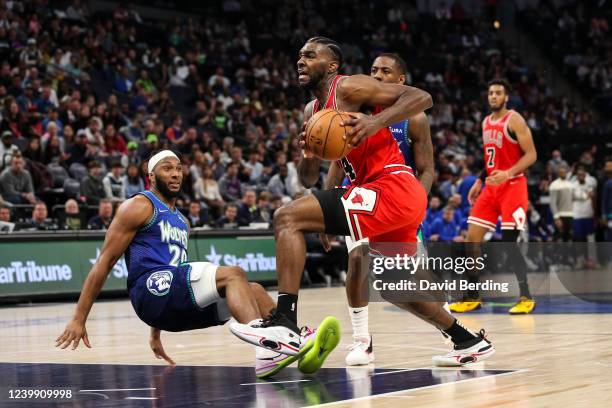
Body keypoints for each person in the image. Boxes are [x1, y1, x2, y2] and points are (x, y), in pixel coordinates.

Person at [230, 37, 493, 368]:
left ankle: (284, 321)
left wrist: (374, 122)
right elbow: (308, 179)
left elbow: (422, 97)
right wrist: (309, 155)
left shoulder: (349, 87)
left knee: (287, 217)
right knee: (395, 289)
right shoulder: (312, 111)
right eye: (299, 56)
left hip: (392, 187)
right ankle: (467, 340)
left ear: (331, 65)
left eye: (310, 56)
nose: (300, 61)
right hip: (382, 195)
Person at [56, 150, 332, 379]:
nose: (175, 174)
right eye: (167, 168)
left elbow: (178, 283)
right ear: (151, 176)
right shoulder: (139, 205)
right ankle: (267, 346)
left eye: (178, 168)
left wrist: (156, 331)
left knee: (255, 290)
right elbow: (104, 262)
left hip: (167, 307)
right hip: (147, 291)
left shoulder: (182, 221)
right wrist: (79, 318)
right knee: (233, 274)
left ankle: (289, 341)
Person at [321, 53, 439, 366]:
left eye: (386, 71)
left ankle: (454, 330)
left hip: (400, 200)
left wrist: (419, 207)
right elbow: (337, 161)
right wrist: (326, 202)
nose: (378, 75)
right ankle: (362, 340)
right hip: (361, 197)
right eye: (373, 70)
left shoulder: (413, 118)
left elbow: (427, 169)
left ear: (401, 81)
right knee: (357, 260)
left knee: (406, 282)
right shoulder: (354, 107)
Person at [451, 79, 538, 315]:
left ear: (506, 97)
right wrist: (480, 180)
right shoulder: (485, 122)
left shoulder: (515, 119)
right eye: (490, 93)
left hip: (513, 186)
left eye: (498, 93)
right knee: (471, 240)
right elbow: (491, 157)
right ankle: (472, 296)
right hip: (491, 187)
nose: (493, 96)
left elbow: (531, 155)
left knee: (509, 245)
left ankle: (526, 296)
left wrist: (508, 173)